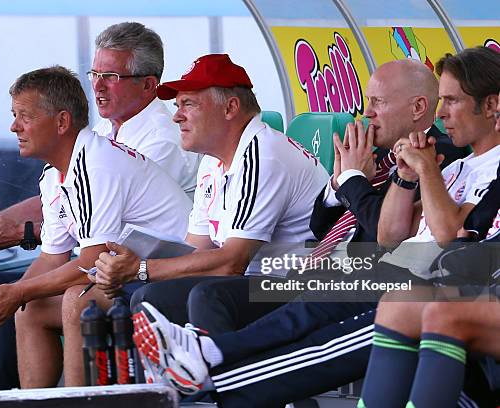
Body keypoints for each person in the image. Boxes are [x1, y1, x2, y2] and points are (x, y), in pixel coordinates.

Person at [131, 47, 500, 408]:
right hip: (348, 269)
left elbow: (428, 235)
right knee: (172, 297)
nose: (365, 113)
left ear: (491, 106)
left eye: (451, 100)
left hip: (385, 275)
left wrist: (363, 179)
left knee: (309, 304)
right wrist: (374, 180)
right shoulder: (448, 167)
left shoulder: (443, 155)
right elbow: (335, 225)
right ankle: (207, 361)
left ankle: (208, 376)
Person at [0, 21, 197, 398]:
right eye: (96, 74)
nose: (13, 127)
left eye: (112, 76)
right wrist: (15, 288)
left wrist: (14, 280)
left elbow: (93, 255)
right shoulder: (72, 159)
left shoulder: (133, 148)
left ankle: (68, 401)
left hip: (156, 274)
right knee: (15, 302)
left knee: (62, 302)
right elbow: (54, 248)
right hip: (115, 270)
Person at [182, 58, 469, 336]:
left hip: (356, 285)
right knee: (197, 294)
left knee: (210, 295)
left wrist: (353, 180)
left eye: (378, 102)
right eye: (368, 101)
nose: (367, 113)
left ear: (418, 107)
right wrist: (336, 183)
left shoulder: (439, 155)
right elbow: (319, 225)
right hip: (310, 275)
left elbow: (384, 233)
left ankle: (224, 376)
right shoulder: (375, 152)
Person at [91, 53, 329, 327]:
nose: (177, 117)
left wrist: (141, 269)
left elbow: (232, 264)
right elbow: (195, 251)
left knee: (196, 296)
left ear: (230, 108)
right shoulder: (212, 162)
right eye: (177, 105)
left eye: (188, 104)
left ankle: (225, 370)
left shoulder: (263, 155)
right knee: (140, 295)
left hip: (304, 287)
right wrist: (130, 270)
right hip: (256, 281)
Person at [357, 86, 500, 408]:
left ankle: (223, 372)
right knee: (395, 300)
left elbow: (451, 233)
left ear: (491, 107)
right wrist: (408, 176)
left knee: (439, 310)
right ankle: (221, 362)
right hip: (399, 270)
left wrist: (354, 181)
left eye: (451, 100)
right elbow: (390, 237)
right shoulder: (458, 167)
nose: (442, 112)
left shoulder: (460, 159)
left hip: (431, 278)